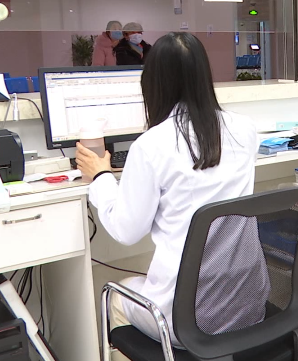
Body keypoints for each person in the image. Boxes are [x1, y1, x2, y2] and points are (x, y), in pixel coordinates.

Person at [76, 32, 267, 349]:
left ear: (153, 84)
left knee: (117, 295)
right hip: (247, 305)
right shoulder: (244, 129)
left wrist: (100, 176)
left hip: (186, 321)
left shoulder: (152, 146)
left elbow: (126, 231)